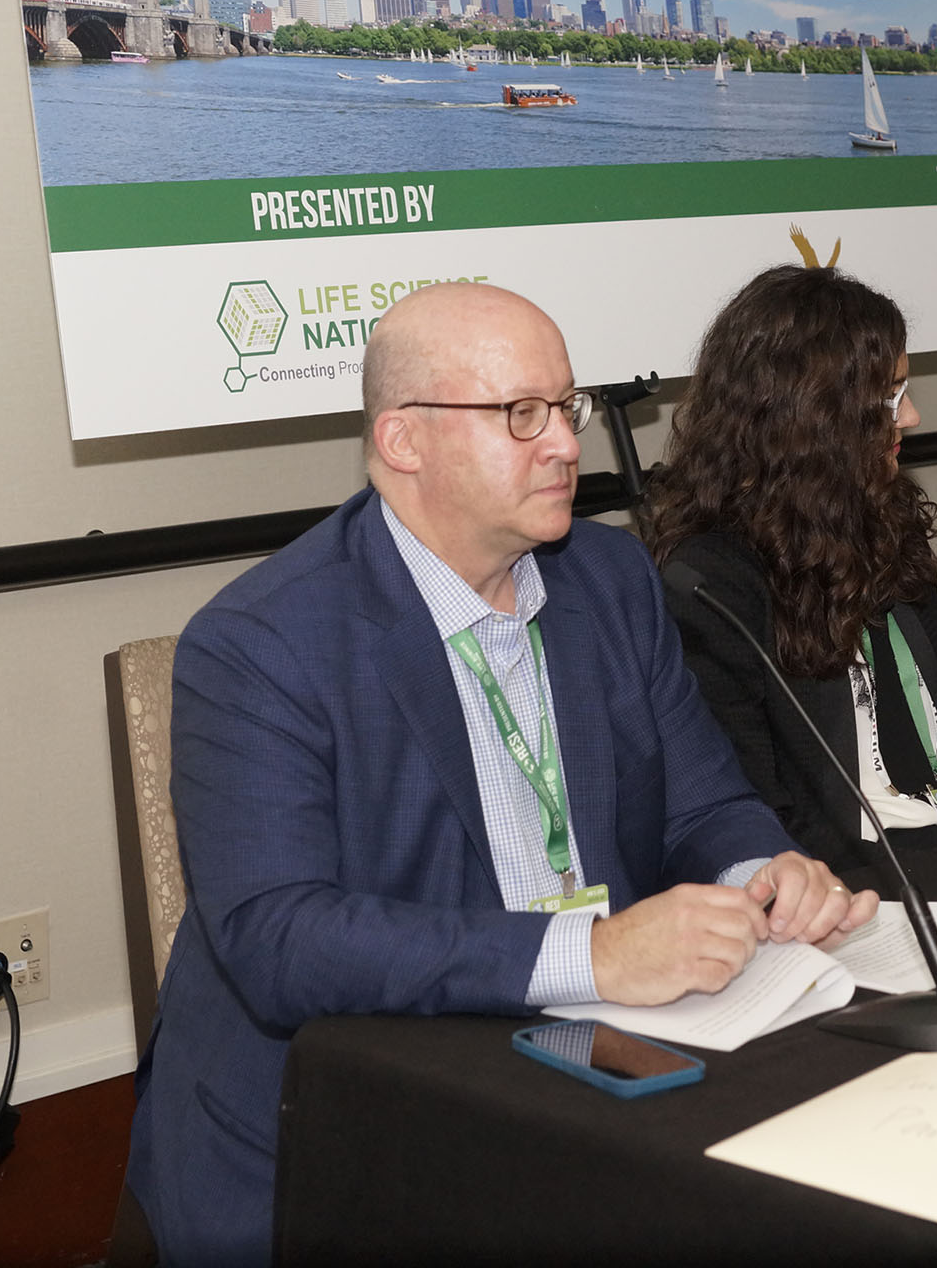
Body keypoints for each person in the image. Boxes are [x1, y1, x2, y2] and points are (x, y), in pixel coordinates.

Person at [127, 283, 877, 1266]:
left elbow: (705, 802)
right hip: (336, 1122)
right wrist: (592, 955)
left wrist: (763, 870)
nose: (565, 443)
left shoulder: (612, 580)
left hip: (583, 1062)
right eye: (521, 414)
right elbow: (281, 942)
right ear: (404, 440)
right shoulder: (261, 644)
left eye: (566, 407)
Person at [646, 266, 937, 865]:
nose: (911, 416)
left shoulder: (890, 529)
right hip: (853, 882)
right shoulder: (713, 586)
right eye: (890, 396)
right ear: (812, 414)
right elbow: (756, 815)